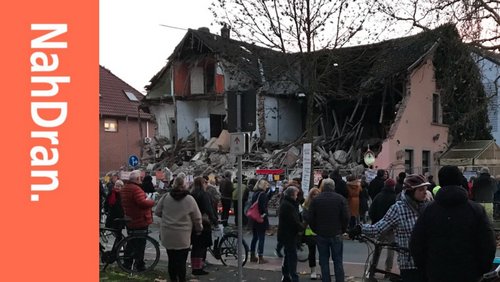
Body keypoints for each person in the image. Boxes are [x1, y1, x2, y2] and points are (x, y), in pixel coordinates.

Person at [410, 165, 496, 282]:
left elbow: (416, 243)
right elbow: (488, 243)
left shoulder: (428, 210)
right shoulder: (475, 210)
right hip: (469, 272)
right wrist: (481, 269)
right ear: (460, 180)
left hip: (436, 272)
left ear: (440, 181)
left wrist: (425, 268)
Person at [351, 174, 430, 282]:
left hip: (428, 262)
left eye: (425, 189)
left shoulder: (428, 207)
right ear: (410, 191)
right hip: (409, 264)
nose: (425, 192)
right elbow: (379, 228)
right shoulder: (398, 209)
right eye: (421, 190)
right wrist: (360, 228)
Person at [155, 175, 203, 282]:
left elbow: (157, 212)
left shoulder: (166, 197)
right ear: (184, 185)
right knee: (181, 261)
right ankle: (181, 279)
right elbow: (197, 218)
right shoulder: (189, 199)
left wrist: (168, 216)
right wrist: (199, 229)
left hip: (168, 234)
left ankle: (173, 279)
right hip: (183, 236)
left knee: (171, 260)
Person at [308, 178, 349, 282]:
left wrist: (315, 229)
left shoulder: (316, 200)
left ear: (323, 187)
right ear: (333, 187)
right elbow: (346, 217)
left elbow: (310, 217)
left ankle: (326, 280)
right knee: (338, 261)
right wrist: (343, 229)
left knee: (324, 261)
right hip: (336, 232)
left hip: (321, 233)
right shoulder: (340, 199)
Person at [120, 170, 155, 272]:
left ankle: (127, 263)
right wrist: (151, 202)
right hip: (140, 219)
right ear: (137, 179)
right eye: (140, 178)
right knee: (140, 244)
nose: (141, 180)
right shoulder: (136, 189)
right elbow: (142, 203)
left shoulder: (125, 188)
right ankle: (139, 264)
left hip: (130, 219)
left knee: (131, 242)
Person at [368, 178, 397, 274]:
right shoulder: (396, 198)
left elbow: (371, 211)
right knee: (391, 250)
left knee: (377, 249)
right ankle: (388, 270)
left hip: (380, 226)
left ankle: (373, 268)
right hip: (392, 228)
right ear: (393, 186)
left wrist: (375, 222)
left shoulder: (378, 196)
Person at [190, 176, 218, 275]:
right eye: (205, 182)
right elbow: (208, 209)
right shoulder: (204, 194)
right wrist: (215, 220)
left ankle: (195, 266)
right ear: (202, 184)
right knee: (202, 246)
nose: (207, 184)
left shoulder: (192, 194)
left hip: (193, 222)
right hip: (204, 222)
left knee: (195, 246)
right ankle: (199, 268)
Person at [277, 186, 304, 282]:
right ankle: (293, 276)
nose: (297, 196)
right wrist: (301, 227)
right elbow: (293, 220)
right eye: (296, 194)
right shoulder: (289, 205)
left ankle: (286, 275)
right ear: (292, 195)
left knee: (288, 255)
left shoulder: (287, 203)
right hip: (289, 234)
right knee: (292, 256)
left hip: (287, 233)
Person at [249, 178, 270, 264]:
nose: (267, 187)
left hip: (254, 218)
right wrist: (265, 214)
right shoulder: (263, 194)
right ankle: (260, 257)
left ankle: (252, 255)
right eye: (266, 185)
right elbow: (263, 207)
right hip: (260, 218)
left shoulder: (255, 193)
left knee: (255, 237)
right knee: (261, 237)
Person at [302, 187, 320, 280]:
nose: (315, 196)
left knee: (322, 253)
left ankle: (322, 270)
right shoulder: (306, 205)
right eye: (313, 194)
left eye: (317, 194)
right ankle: (313, 271)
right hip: (310, 232)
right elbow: (305, 216)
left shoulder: (322, 204)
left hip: (320, 232)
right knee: (312, 252)